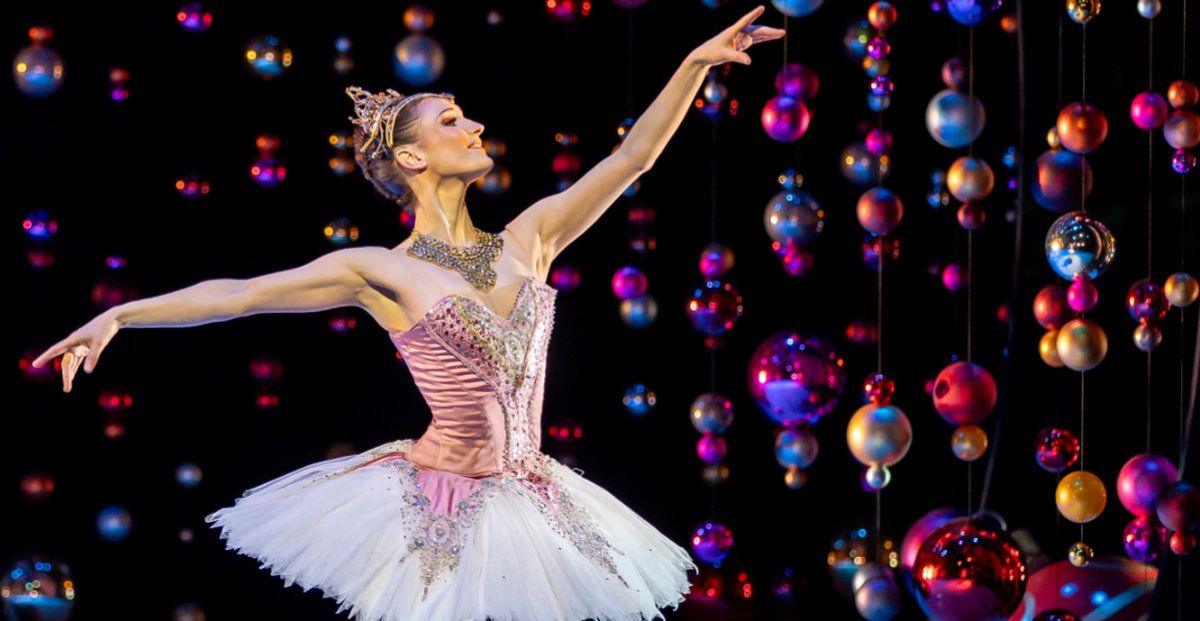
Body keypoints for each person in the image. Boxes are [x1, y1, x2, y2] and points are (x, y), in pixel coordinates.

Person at [30, 7, 782, 620]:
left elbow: (631, 162)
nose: (475, 127)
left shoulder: (530, 239)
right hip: (444, 502)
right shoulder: (380, 269)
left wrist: (694, 64)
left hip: (536, 499)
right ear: (414, 159)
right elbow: (242, 292)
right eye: (452, 120)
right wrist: (122, 314)